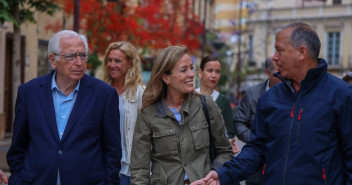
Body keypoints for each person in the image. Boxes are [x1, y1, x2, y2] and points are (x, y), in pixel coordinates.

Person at [191, 22, 352, 185]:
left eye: (279, 50)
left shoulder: (342, 95)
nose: (274, 57)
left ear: (301, 52)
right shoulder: (270, 98)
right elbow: (257, 149)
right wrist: (223, 174)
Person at [6, 30, 122, 185]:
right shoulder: (29, 92)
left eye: (83, 55)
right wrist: (18, 180)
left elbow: (112, 151)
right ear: (53, 60)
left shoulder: (104, 95)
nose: (79, 62)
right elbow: (18, 147)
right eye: (71, 56)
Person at [130, 46, 234, 185]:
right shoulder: (148, 114)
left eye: (191, 68)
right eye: (184, 70)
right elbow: (139, 170)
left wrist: (215, 173)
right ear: (166, 77)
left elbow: (225, 151)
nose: (191, 74)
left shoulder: (206, 105)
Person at [102, 41, 145, 185]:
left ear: (130, 63)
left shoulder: (140, 93)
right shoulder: (100, 90)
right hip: (103, 163)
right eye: (110, 60)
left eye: (118, 61)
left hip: (128, 167)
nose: (112, 65)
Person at [233, 57, 279, 185]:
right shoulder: (252, 94)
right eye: (278, 72)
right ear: (268, 73)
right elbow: (239, 122)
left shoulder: (292, 93)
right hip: (256, 163)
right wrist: (255, 140)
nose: (283, 75)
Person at [196, 55, 239, 154]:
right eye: (210, 70)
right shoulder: (190, 97)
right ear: (200, 72)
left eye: (217, 72)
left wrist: (230, 142)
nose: (214, 75)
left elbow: (230, 132)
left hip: (216, 157)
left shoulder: (224, 101)